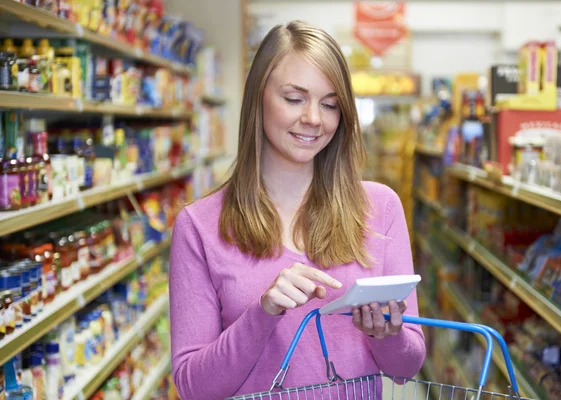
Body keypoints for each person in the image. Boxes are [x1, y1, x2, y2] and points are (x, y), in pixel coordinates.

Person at [169, 20, 426, 399]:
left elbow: (407, 367)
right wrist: (263, 312)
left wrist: (386, 334)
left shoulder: (380, 208)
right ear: (258, 96)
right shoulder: (200, 226)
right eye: (294, 98)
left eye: (330, 104)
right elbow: (194, 387)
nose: (314, 119)